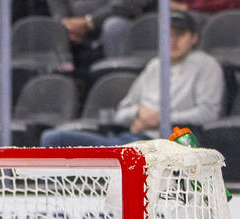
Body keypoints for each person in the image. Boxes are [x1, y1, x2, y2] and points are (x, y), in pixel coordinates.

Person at [41, 10, 223, 148]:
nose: (173, 41)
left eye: (180, 34)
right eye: (168, 34)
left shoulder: (206, 65)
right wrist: (139, 114)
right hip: (132, 142)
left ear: (194, 37)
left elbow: (208, 113)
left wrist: (161, 118)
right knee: (53, 138)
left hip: (171, 146)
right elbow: (122, 112)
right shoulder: (155, 65)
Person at [46, 0, 146, 68]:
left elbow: (124, 4)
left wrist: (89, 22)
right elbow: (59, 14)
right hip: (77, 36)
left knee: (115, 25)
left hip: (118, 30)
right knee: (54, 30)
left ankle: (118, 81)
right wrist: (67, 27)